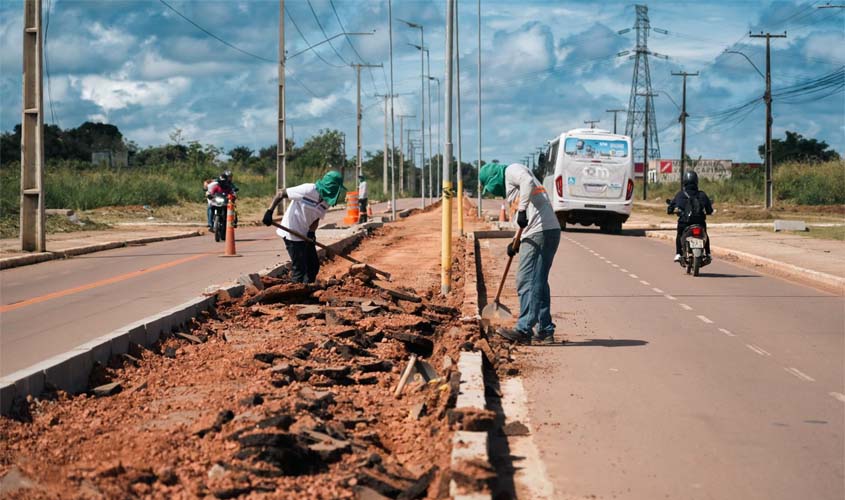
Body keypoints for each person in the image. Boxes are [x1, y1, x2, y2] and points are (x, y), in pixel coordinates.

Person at [479, 161, 561, 344]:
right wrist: (515, 241)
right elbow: (524, 217)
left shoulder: (512, 170)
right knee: (538, 281)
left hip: (540, 232)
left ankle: (524, 329)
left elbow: (527, 181)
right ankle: (545, 329)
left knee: (527, 280)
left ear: (493, 179)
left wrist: (522, 211)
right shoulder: (513, 184)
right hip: (542, 231)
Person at [262, 170, 347, 283]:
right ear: (330, 185)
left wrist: (311, 233)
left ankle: (307, 290)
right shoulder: (308, 189)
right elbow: (281, 193)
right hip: (291, 232)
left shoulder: (326, 202)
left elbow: (316, 218)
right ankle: (294, 295)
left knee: (313, 266)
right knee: (299, 269)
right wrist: (269, 212)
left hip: (305, 234)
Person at [667, 170, 713, 262]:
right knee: (705, 235)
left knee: (679, 235)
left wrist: (671, 210)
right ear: (696, 181)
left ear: (684, 181)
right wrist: (708, 211)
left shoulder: (680, 194)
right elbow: (709, 210)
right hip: (699, 222)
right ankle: (707, 253)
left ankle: (678, 253)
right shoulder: (702, 194)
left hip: (684, 223)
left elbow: (670, 208)